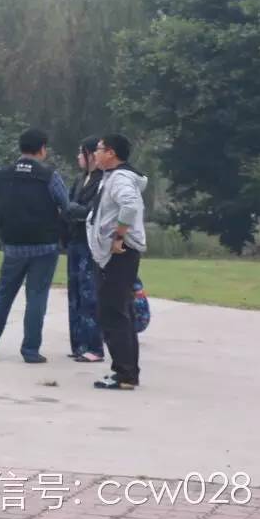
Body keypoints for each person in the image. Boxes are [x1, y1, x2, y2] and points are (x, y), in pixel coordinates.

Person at [0, 128, 69, 363]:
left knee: (4, 294)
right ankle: (30, 351)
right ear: (42, 149)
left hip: (13, 244)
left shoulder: (4, 174)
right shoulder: (49, 175)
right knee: (36, 297)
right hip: (44, 245)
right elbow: (66, 204)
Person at [87, 134, 147, 390]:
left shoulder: (120, 178)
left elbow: (129, 206)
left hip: (119, 254)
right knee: (119, 311)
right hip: (111, 255)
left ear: (111, 153)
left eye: (99, 149)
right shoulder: (112, 177)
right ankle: (128, 371)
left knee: (113, 312)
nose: (95, 153)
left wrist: (119, 236)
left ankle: (124, 374)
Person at [64, 137, 105, 362]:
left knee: (90, 294)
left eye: (82, 153)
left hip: (91, 244)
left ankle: (94, 347)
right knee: (75, 294)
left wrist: (73, 209)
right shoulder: (80, 180)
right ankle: (79, 344)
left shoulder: (102, 181)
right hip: (74, 242)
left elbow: (92, 211)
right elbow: (68, 206)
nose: (79, 157)